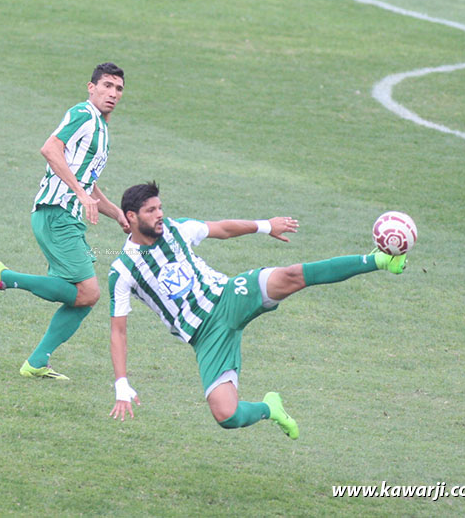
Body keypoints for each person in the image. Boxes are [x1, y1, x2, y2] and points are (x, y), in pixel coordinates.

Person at [107, 182, 408, 438]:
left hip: (228, 297)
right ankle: (270, 408)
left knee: (292, 275)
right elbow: (118, 331)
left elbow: (222, 229)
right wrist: (121, 384)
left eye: (160, 207)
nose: (160, 214)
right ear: (131, 217)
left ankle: (380, 260)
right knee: (226, 415)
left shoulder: (177, 229)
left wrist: (266, 226)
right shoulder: (123, 270)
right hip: (205, 338)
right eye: (151, 211)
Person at [0, 62, 128, 380]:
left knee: (83, 298)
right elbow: (50, 149)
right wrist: (80, 195)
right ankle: (5, 277)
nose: (112, 93)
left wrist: (115, 213)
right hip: (57, 213)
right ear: (91, 87)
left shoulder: (102, 129)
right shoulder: (83, 114)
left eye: (118, 89)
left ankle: (36, 362)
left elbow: (86, 180)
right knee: (88, 293)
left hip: (66, 217)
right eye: (107, 86)